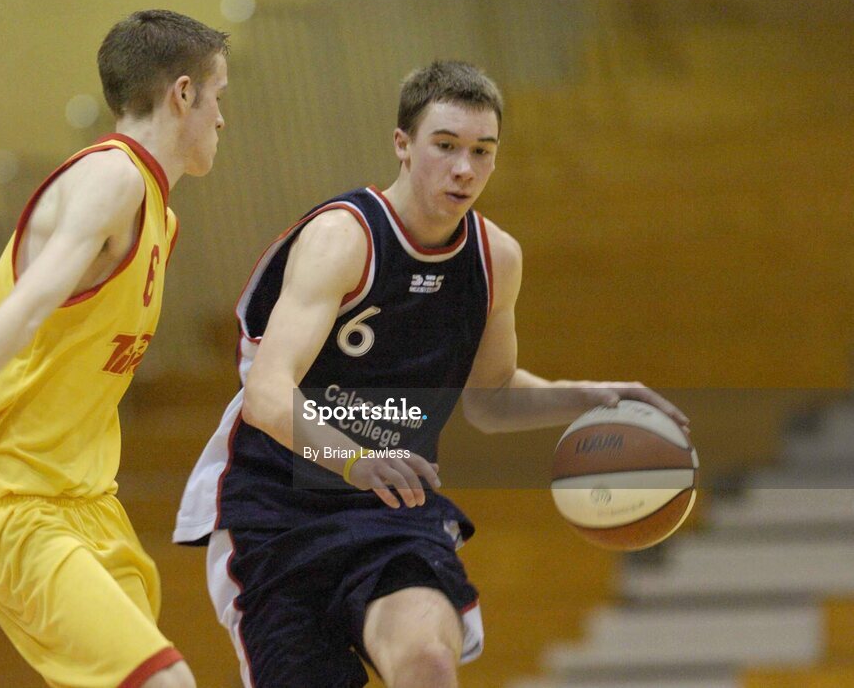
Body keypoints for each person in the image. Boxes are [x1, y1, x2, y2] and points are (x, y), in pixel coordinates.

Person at [173, 61, 689, 688]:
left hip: (394, 507)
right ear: (403, 144)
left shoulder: (495, 257)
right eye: (445, 146)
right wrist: (354, 461)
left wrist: (595, 397)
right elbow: (265, 395)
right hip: (278, 509)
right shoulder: (345, 238)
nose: (464, 169)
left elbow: (491, 399)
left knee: (427, 662)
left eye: (482, 152)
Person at [0, 10, 229, 688]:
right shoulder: (109, 181)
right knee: (166, 683)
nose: (222, 119)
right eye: (218, 98)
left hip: (83, 498)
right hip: (6, 497)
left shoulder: (157, 216)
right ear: (182, 94)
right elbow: (27, 306)